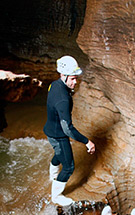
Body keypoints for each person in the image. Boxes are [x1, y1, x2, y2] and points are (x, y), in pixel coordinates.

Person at [43, 55, 95, 206]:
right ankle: (56, 195)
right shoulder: (63, 99)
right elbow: (68, 129)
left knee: (60, 154)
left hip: (50, 129)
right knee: (68, 166)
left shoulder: (54, 85)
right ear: (63, 75)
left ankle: (52, 177)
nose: (75, 82)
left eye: (76, 78)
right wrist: (87, 141)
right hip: (58, 134)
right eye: (72, 78)